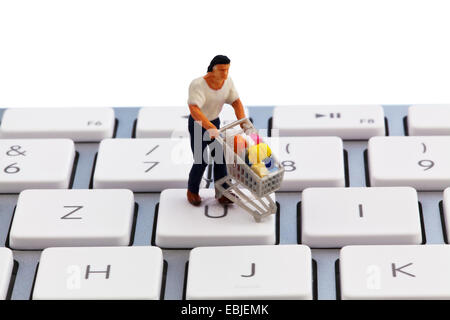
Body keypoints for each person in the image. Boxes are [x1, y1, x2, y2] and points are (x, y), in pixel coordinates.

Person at [186, 55, 248, 206]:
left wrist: (242, 121)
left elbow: (236, 102)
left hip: (214, 122)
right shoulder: (198, 84)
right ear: (212, 69)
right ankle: (192, 191)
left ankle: (222, 192)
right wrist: (209, 127)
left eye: (227, 69)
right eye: (221, 70)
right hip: (198, 125)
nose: (225, 73)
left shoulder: (227, 82)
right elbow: (194, 109)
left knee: (219, 158)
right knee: (201, 160)